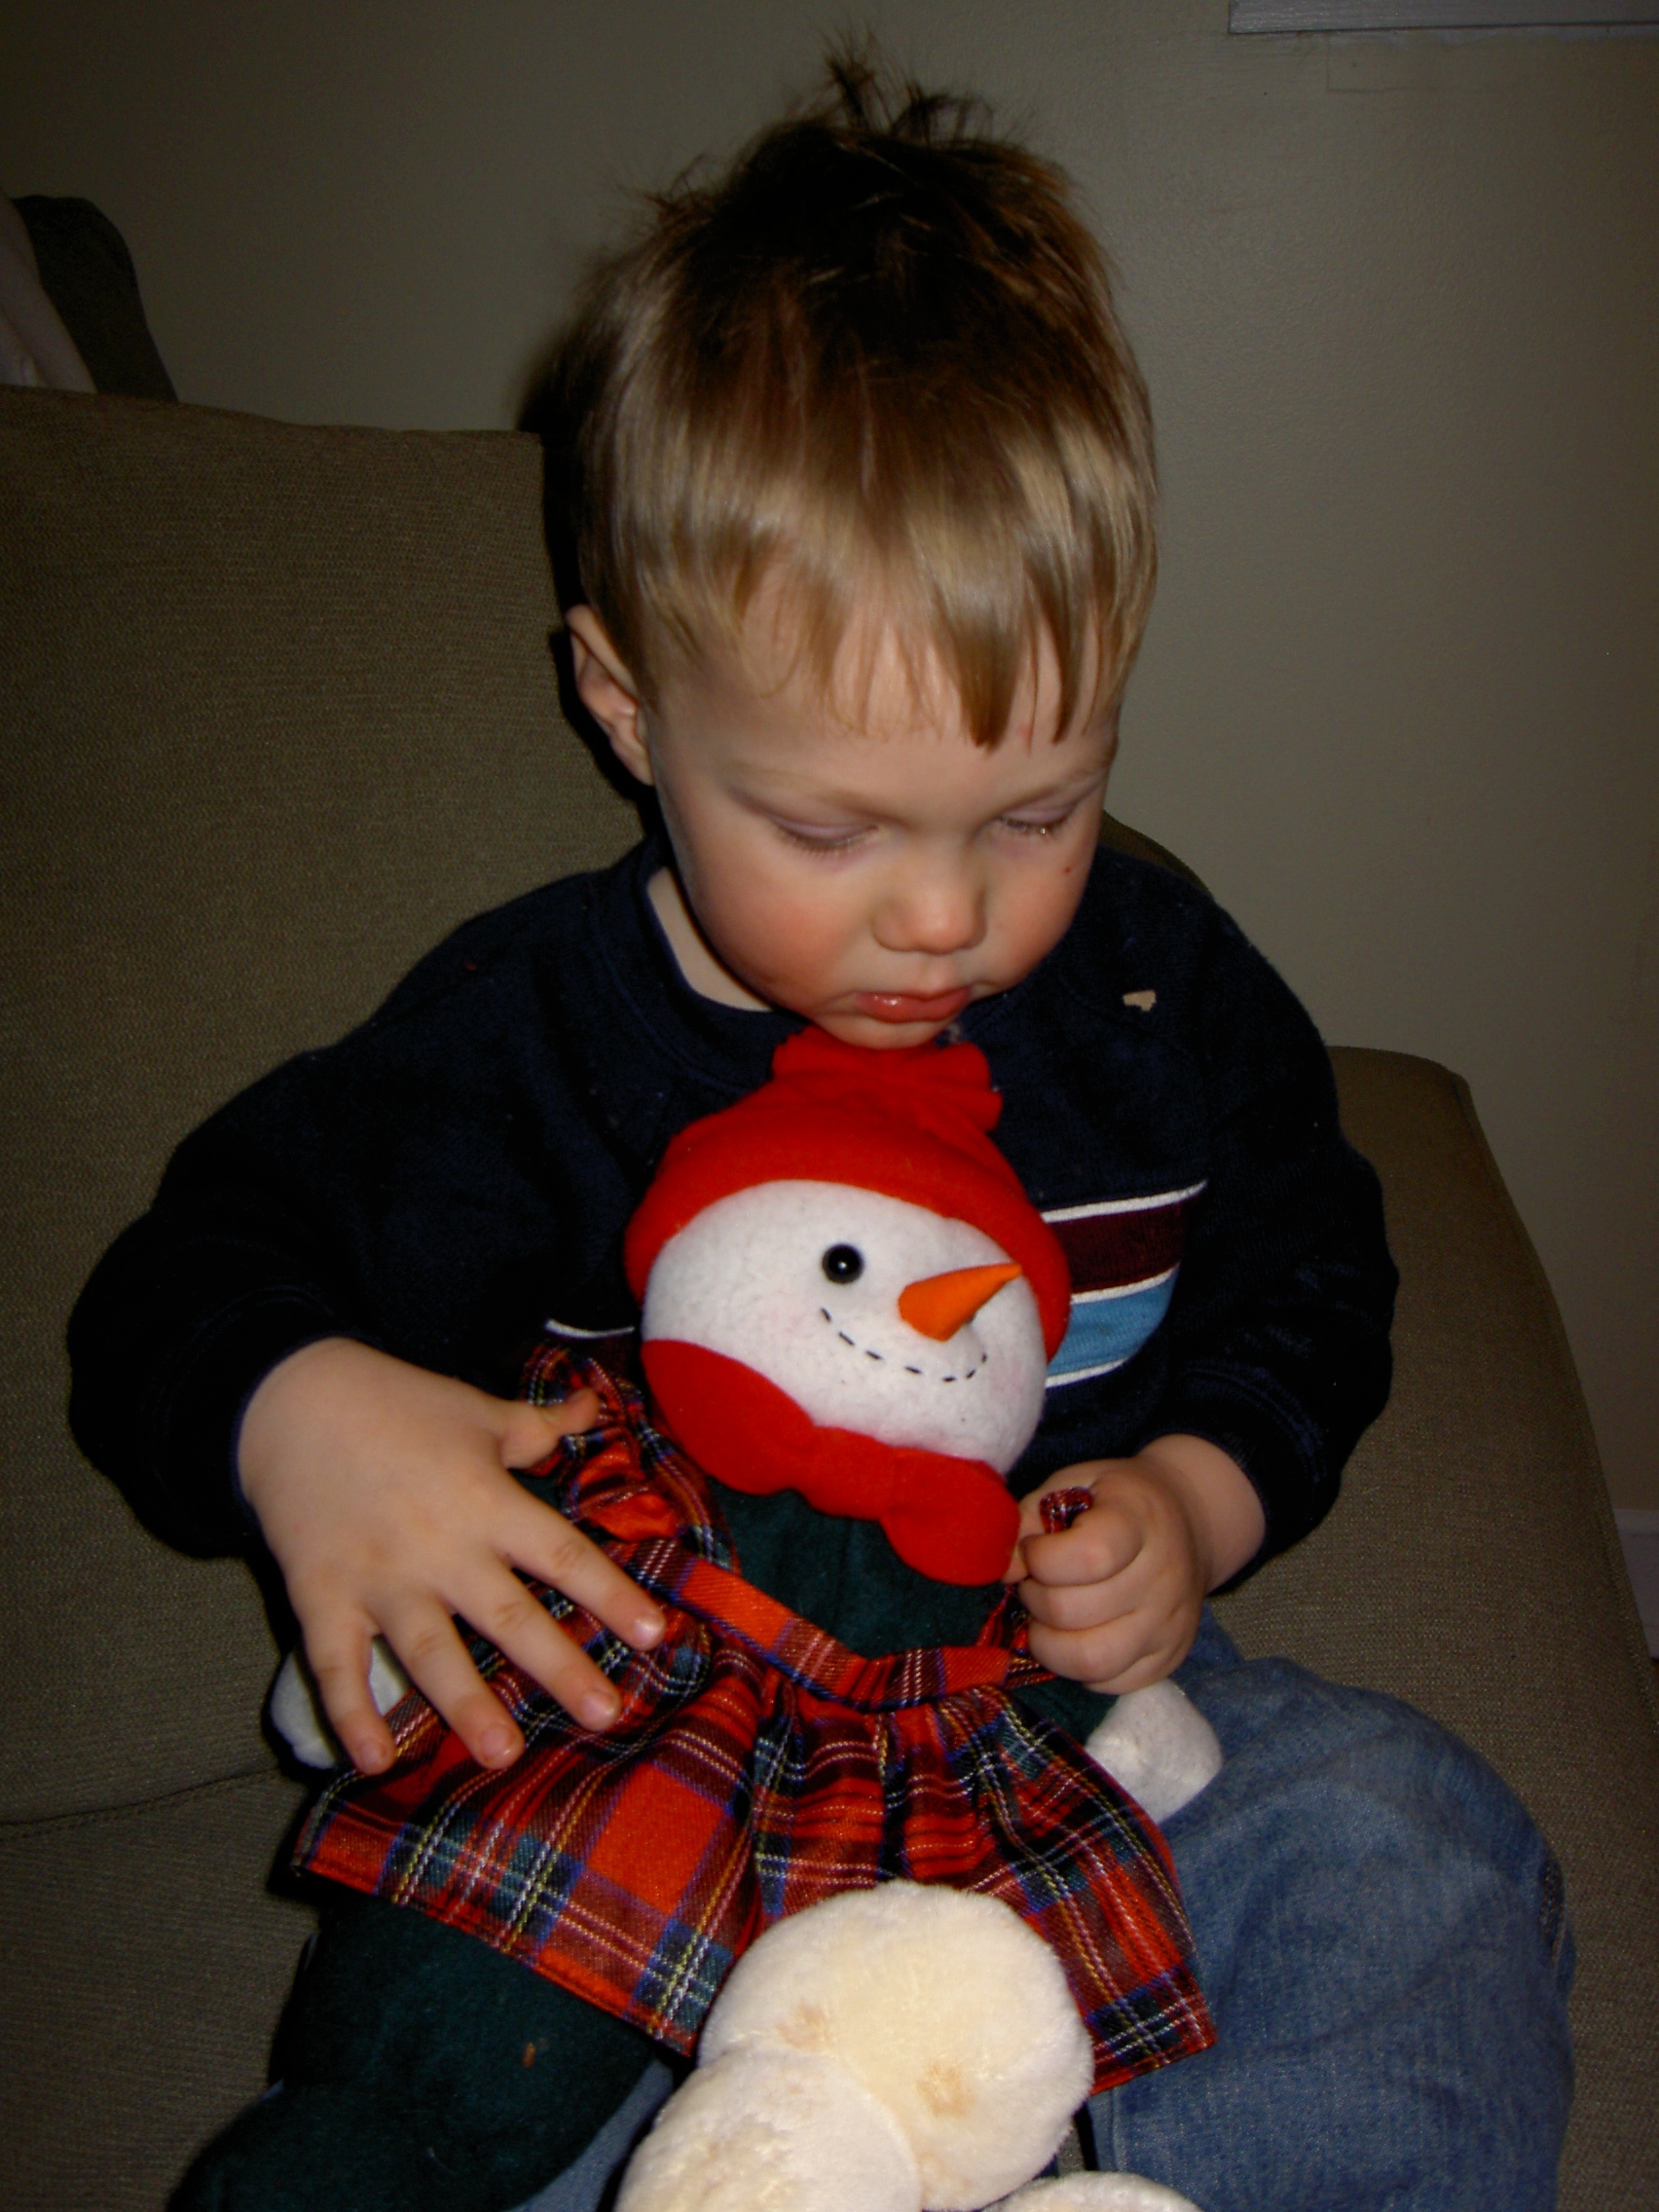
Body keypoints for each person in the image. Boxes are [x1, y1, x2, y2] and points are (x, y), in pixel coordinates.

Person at [68, 55, 1573, 2212]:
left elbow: (1317, 1252)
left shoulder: (1156, 986)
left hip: (1055, 1718)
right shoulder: (524, 1043)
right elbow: (187, 1272)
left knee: (1417, 1848)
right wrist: (309, 1414)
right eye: (832, 828)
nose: (946, 917)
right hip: (660, 1751)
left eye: (1038, 809)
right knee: (529, 2095)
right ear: (627, 708)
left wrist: (1198, 1490)